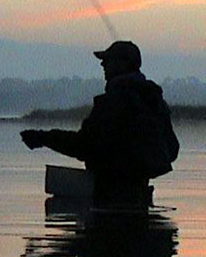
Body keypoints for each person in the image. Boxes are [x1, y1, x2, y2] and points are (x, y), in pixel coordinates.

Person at [20, 40, 179, 207]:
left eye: (108, 60)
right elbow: (172, 150)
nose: (103, 64)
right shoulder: (154, 100)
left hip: (110, 198)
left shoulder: (114, 101)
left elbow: (84, 146)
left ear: (123, 64)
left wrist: (43, 138)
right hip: (140, 195)